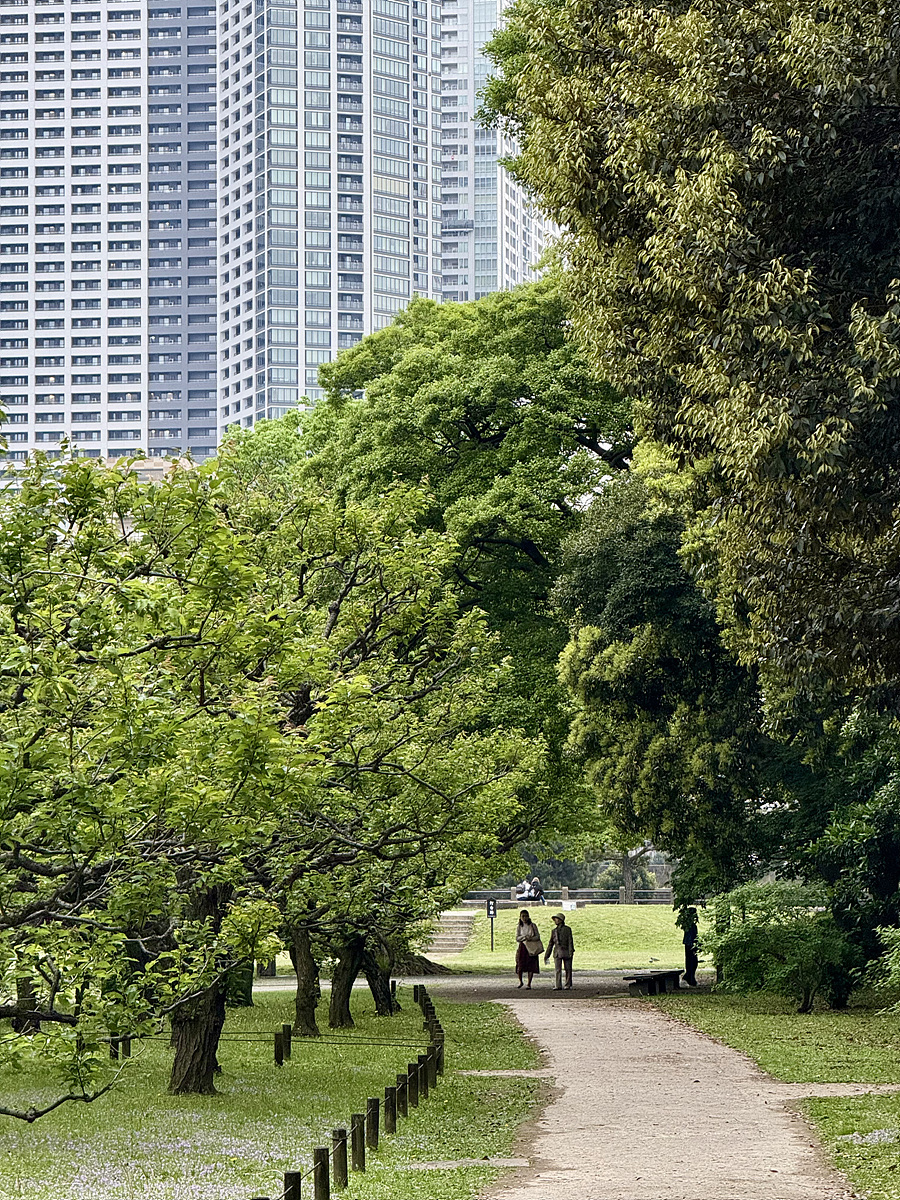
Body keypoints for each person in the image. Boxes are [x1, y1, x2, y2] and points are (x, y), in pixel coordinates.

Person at [544, 913, 574, 990]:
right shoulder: (554, 931)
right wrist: (547, 955)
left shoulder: (567, 929)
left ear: (561, 920)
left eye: (557, 919)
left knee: (568, 969)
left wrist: (571, 951)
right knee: (557, 970)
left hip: (566, 951)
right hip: (557, 951)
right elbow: (551, 943)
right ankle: (558, 985)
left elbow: (570, 941)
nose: (555, 921)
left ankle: (568, 984)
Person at [515, 909, 542, 988]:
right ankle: (520, 981)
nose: (524, 918)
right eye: (523, 916)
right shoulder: (519, 927)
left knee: (531, 965)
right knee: (520, 965)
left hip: (531, 947)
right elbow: (517, 938)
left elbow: (537, 936)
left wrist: (531, 938)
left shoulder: (533, 926)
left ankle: (529, 983)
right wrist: (524, 937)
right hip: (523, 946)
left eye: (526, 916)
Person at [682, 906, 699, 986]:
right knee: (692, 961)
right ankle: (690, 977)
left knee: (692, 961)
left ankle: (690, 976)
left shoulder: (690, 925)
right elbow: (692, 936)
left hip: (690, 944)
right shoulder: (690, 926)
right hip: (690, 944)